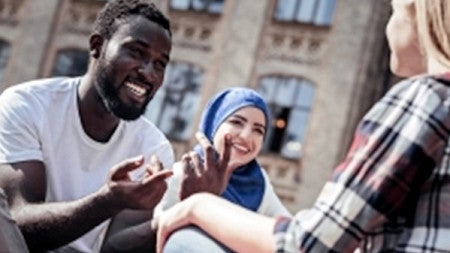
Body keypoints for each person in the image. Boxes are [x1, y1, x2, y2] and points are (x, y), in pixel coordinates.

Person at [155, 0, 450, 252]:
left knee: (186, 240)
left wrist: (200, 206)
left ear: (420, 16)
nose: (388, 27)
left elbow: (309, 243)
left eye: (393, 11)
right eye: (237, 122)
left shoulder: (424, 99)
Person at [0, 0, 175, 252]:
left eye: (160, 64)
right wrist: (106, 201)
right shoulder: (26, 105)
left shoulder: (153, 147)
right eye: (137, 52)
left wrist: (182, 209)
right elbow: (15, 224)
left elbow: (114, 249)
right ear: (97, 46)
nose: (149, 73)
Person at [101, 87, 291, 252]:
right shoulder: (185, 173)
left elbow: (290, 234)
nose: (246, 135)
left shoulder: (258, 183)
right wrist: (192, 205)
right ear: (214, 123)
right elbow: (124, 244)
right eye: (236, 122)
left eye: (258, 130)